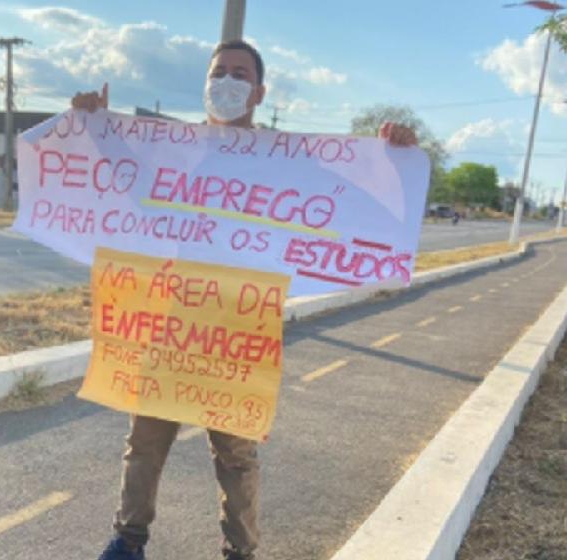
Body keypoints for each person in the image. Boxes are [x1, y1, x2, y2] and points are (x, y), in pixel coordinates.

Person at [71, 39, 417, 560]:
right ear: (205, 83)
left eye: (239, 74)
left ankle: (240, 551)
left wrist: (393, 160)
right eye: (219, 73)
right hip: (169, 320)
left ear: (258, 93)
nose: (226, 83)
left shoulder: (284, 161)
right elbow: (128, 184)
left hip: (236, 328)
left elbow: (348, 203)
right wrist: (95, 129)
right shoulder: (174, 150)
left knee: (235, 456)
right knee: (144, 443)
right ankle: (128, 542)